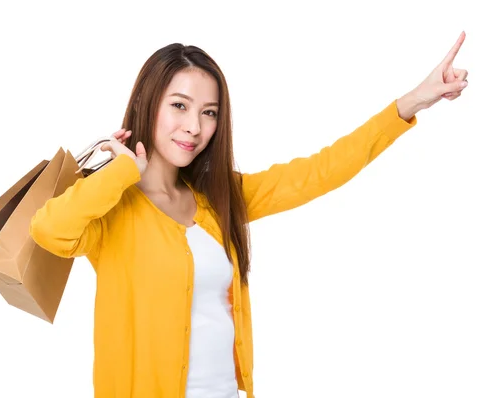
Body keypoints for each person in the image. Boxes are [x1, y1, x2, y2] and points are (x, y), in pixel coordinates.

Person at [29, 32, 468, 398]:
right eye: (179, 106)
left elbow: (318, 172)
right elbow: (48, 230)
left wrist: (412, 102)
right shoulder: (112, 206)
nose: (194, 127)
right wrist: (122, 171)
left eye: (209, 113)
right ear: (148, 104)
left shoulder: (220, 199)